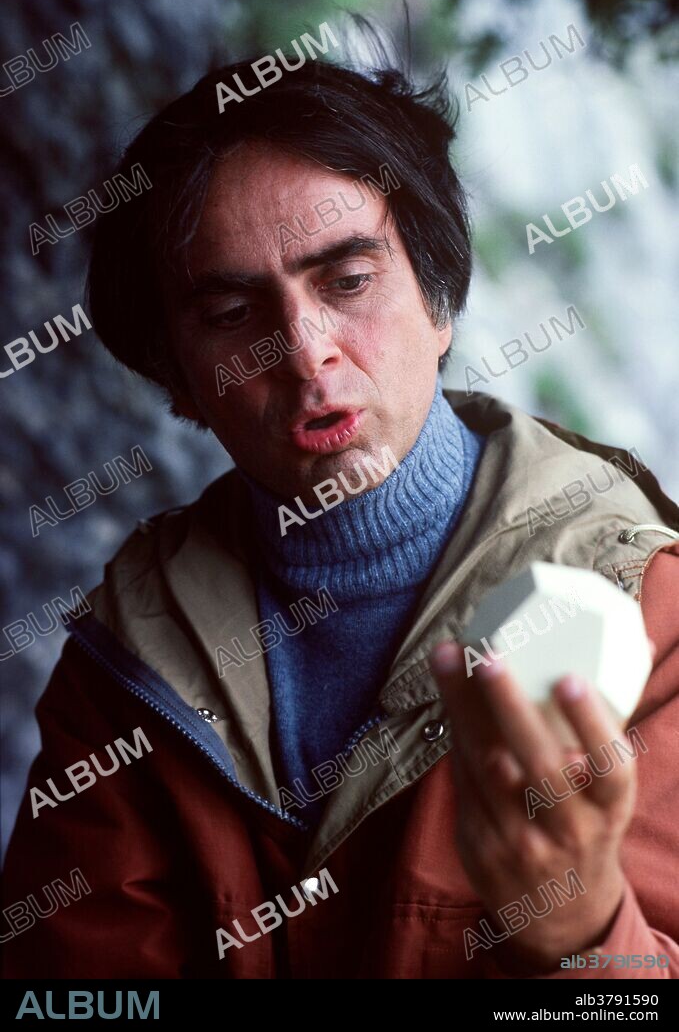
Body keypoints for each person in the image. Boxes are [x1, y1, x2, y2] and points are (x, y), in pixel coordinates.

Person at [3, 51, 679, 980]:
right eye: (235, 311)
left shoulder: (646, 607)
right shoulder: (125, 666)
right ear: (181, 382)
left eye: (348, 282)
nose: (307, 352)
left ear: (439, 298)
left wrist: (583, 932)